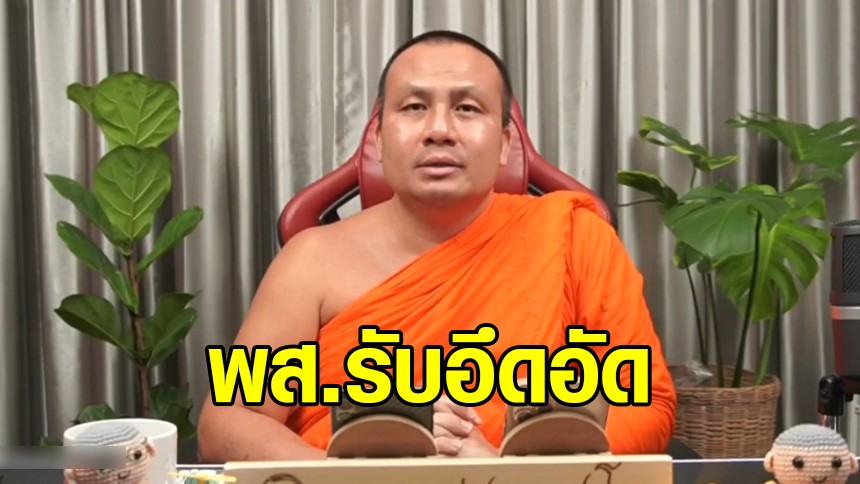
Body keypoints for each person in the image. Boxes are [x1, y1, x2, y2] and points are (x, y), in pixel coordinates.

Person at [196, 29, 676, 462]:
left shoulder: (574, 238)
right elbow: (228, 422)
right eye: (413, 107)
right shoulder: (311, 261)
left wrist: (504, 464)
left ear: (505, 143)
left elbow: (647, 405)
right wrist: (351, 474)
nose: (439, 129)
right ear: (378, 139)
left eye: (467, 108)